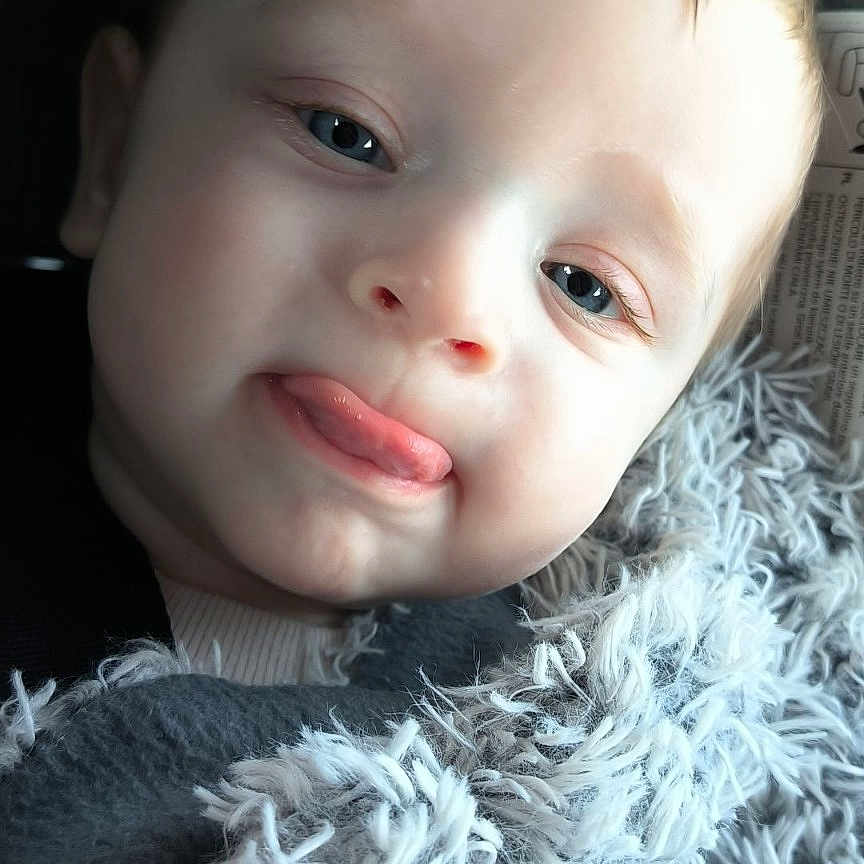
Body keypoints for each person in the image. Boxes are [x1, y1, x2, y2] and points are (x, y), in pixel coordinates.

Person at [2, 0, 825, 697]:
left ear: (662, 415)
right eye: (347, 134)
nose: (450, 297)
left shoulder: (583, 717)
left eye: (584, 286)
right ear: (114, 147)